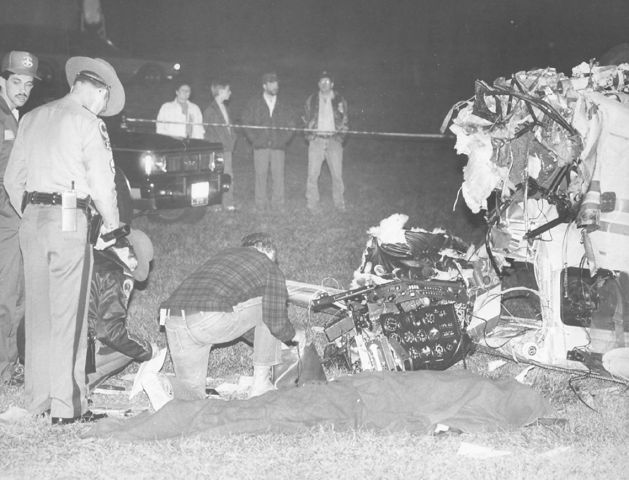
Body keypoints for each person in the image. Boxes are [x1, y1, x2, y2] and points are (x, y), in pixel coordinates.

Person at [4, 56, 123, 425]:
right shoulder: (89, 122)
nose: (104, 108)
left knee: (38, 314)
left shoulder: (33, 117)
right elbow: (102, 186)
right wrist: (115, 230)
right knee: (69, 313)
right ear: (98, 92)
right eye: (105, 100)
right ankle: (69, 406)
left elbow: (11, 181)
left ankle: (38, 400)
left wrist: (34, 217)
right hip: (70, 215)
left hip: (32, 218)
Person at [161, 232, 304, 399]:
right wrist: (296, 335)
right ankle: (261, 385)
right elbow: (275, 321)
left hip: (173, 319)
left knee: (191, 395)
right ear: (269, 252)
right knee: (269, 306)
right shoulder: (269, 267)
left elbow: (243, 321)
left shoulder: (223, 256)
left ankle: (159, 381)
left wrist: (271, 345)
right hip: (209, 319)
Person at [0, 51, 38, 384]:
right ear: (2, 80)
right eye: (16, 81)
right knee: (6, 297)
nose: (22, 88)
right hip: (4, 219)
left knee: (20, 295)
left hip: (17, 217)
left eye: (27, 83)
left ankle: (10, 363)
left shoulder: (15, 116)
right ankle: (2, 371)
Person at [87, 229, 158, 391]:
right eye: (136, 261)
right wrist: (147, 350)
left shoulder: (86, 254)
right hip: (67, 352)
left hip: (33, 346)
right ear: (127, 251)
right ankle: (81, 382)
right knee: (126, 349)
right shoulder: (117, 273)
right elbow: (109, 332)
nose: (134, 267)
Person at [241, 72, 295, 212]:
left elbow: (291, 124)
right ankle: (260, 204)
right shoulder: (254, 103)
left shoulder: (283, 104)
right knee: (260, 175)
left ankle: (278, 204)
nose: (275, 86)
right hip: (261, 146)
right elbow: (246, 122)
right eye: (271, 83)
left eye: (276, 83)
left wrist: (283, 140)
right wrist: (255, 139)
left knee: (278, 176)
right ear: (264, 86)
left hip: (278, 146)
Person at [303, 71, 349, 213]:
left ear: (332, 84)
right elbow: (304, 119)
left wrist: (340, 137)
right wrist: (309, 136)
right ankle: (312, 204)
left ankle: (340, 204)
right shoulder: (311, 100)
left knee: (337, 175)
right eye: (321, 82)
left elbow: (346, 120)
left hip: (334, 141)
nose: (324, 84)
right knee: (312, 174)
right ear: (318, 84)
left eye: (327, 82)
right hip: (317, 141)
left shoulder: (339, 100)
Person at [203, 79, 237, 211]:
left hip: (226, 148)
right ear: (221, 91)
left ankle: (228, 202)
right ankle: (214, 204)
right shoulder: (210, 110)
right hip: (216, 149)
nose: (230, 93)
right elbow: (212, 132)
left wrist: (233, 139)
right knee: (215, 176)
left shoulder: (224, 108)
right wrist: (225, 143)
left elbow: (229, 129)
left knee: (228, 175)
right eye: (228, 90)